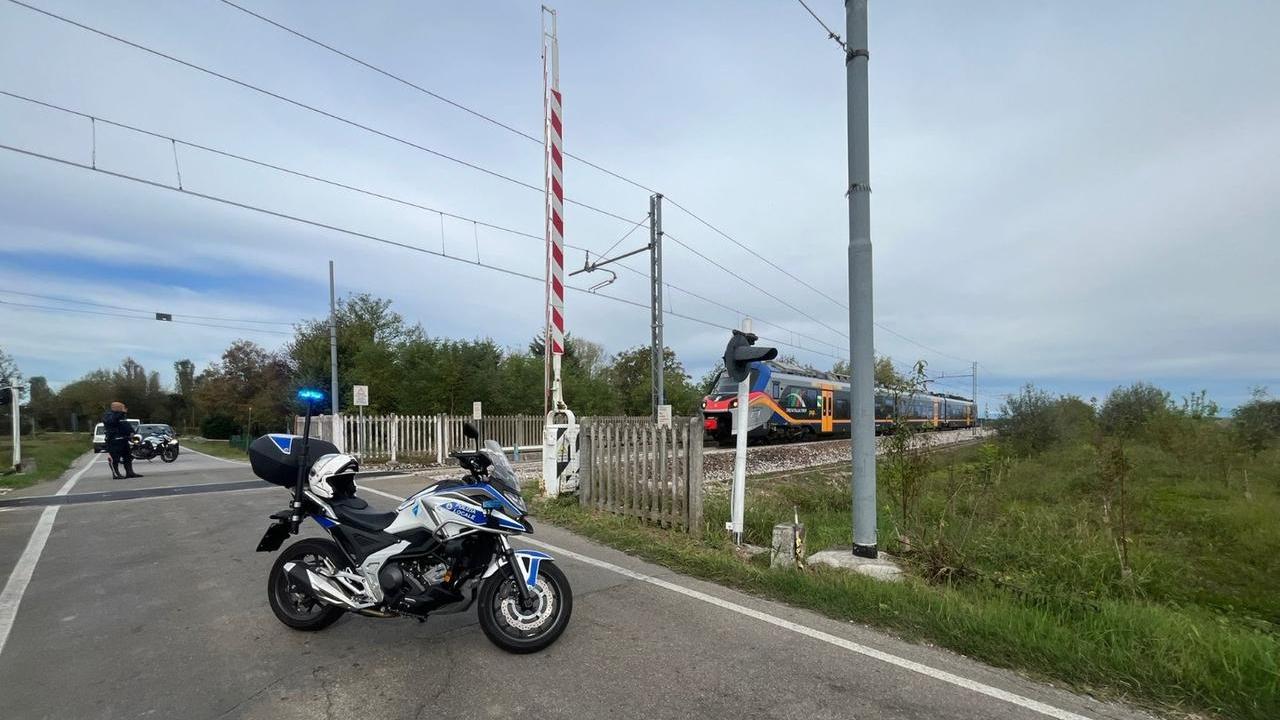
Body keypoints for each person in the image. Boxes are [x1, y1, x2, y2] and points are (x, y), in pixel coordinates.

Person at [102, 401, 142, 479]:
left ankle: (130, 472)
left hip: (124, 439)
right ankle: (116, 474)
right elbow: (111, 422)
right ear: (117, 407)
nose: (125, 409)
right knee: (115, 458)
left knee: (128, 457)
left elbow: (125, 425)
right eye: (123, 407)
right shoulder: (108, 415)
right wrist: (121, 413)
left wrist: (131, 432)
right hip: (114, 440)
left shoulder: (122, 416)